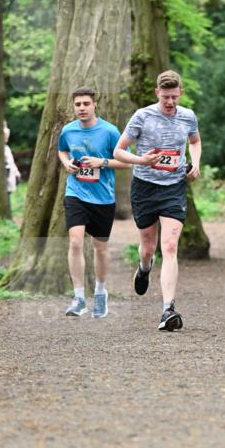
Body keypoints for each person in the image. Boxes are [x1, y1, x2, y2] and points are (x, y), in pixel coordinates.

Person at [113, 70, 201, 331]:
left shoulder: (188, 116)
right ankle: (143, 267)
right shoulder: (143, 116)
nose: (170, 102)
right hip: (145, 187)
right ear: (157, 94)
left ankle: (168, 310)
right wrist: (141, 160)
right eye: (165, 98)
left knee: (170, 246)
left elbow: (195, 141)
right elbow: (118, 150)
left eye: (174, 97)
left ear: (181, 93)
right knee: (148, 247)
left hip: (173, 187)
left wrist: (195, 163)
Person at [57, 88, 125, 318]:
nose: (82, 108)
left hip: (103, 198)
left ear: (95, 104)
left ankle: (100, 292)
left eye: (86, 103)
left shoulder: (110, 131)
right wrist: (67, 163)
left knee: (100, 248)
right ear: (73, 107)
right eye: (78, 104)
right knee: (75, 242)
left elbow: (126, 162)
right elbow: (62, 150)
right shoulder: (68, 130)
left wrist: (102, 162)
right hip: (75, 193)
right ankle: (78, 298)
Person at [4, 121, 21, 214]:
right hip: (4, 174)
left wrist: (16, 172)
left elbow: (11, 162)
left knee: (7, 193)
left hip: (9, 174)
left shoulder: (6, 148)